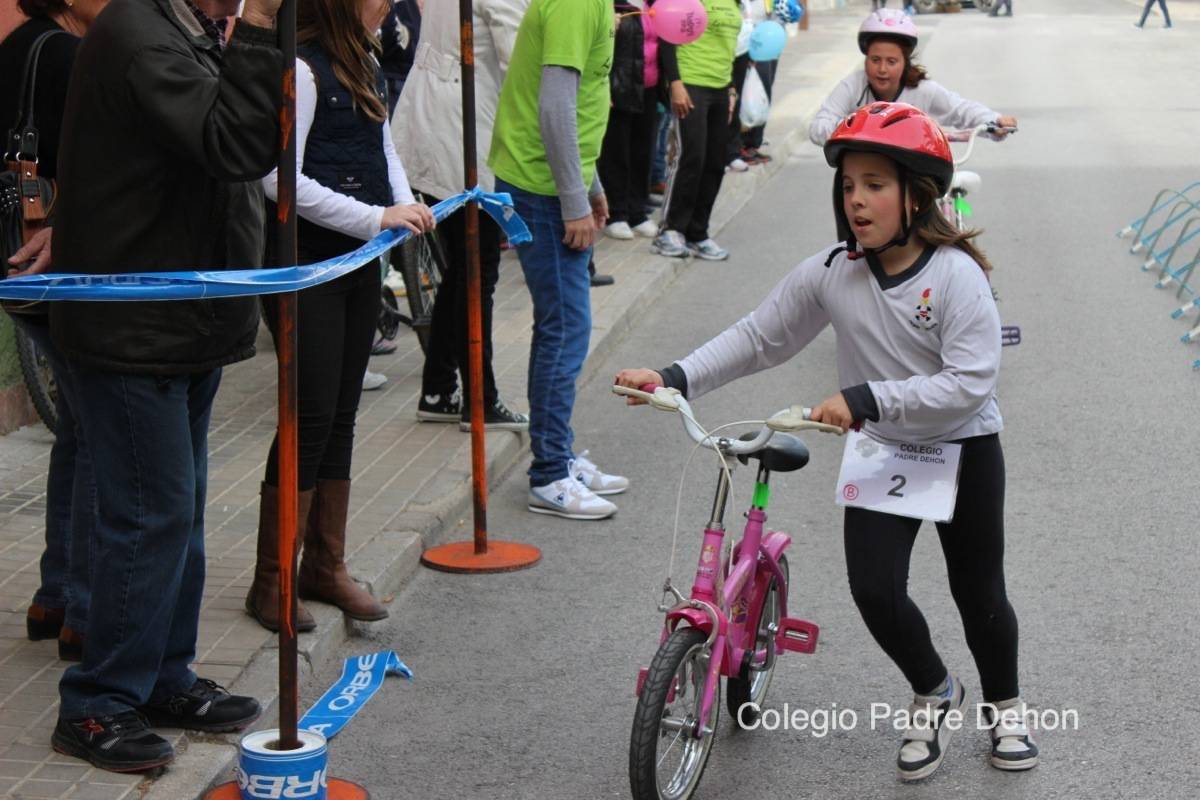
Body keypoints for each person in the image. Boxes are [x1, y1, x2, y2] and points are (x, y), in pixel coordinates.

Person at [617, 102, 1037, 782]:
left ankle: (1007, 706)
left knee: (978, 591)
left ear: (916, 193)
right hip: (885, 451)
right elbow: (760, 337)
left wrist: (867, 398)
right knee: (875, 591)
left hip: (962, 447)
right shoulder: (833, 270)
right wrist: (672, 378)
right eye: (848, 185)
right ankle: (934, 690)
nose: (858, 199)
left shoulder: (956, 276)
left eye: (875, 183)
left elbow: (970, 383)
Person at [46, 0, 282, 772]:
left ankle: (163, 677)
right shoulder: (141, 35)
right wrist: (255, 33)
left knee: (176, 516)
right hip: (134, 332)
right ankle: (98, 703)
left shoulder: (180, 28)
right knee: (148, 518)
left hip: (180, 323)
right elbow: (236, 144)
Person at [247, 0, 435, 633]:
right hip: (309, 270)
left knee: (342, 413)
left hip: (360, 264)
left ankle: (325, 565)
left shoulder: (363, 59)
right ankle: (272, 579)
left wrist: (404, 207)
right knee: (310, 415)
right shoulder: (300, 67)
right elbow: (280, 180)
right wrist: (374, 218)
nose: (389, 5)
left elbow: (383, 147)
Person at [489, 0, 629, 520]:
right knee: (565, 327)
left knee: (566, 325)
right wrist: (573, 199)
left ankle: (560, 455)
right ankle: (549, 473)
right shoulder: (578, 4)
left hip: (550, 184)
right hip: (540, 188)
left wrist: (588, 185)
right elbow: (553, 108)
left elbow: (579, 102)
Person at [2, 0, 108, 665]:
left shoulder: (17, 47)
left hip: (19, 257)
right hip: (59, 262)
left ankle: (56, 593)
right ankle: (83, 609)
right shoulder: (71, 55)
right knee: (100, 432)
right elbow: (93, 163)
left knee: (78, 428)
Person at [393, 0, 531, 432]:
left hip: (439, 117)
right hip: (467, 129)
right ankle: (479, 398)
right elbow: (520, 60)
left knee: (463, 267)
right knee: (477, 269)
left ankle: (438, 389)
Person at [808, 10, 1018, 147]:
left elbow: (960, 109)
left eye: (891, 62)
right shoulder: (852, 86)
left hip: (915, 172)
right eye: (875, 60)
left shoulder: (923, 90)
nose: (882, 69)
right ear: (865, 60)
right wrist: (858, 127)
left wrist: (994, 120)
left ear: (905, 62)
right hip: (871, 170)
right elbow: (818, 127)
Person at [652, 0, 742, 261]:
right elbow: (668, 38)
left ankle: (698, 233)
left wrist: (732, 88)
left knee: (715, 162)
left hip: (721, 87)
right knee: (690, 157)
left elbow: (730, 48)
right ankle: (669, 230)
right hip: (691, 83)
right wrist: (675, 83)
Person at [599, 0, 661, 241]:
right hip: (619, 89)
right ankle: (617, 214)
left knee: (643, 152)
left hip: (649, 88)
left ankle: (637, 212)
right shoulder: (611, 5)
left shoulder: (652, 4)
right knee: (617, 154)